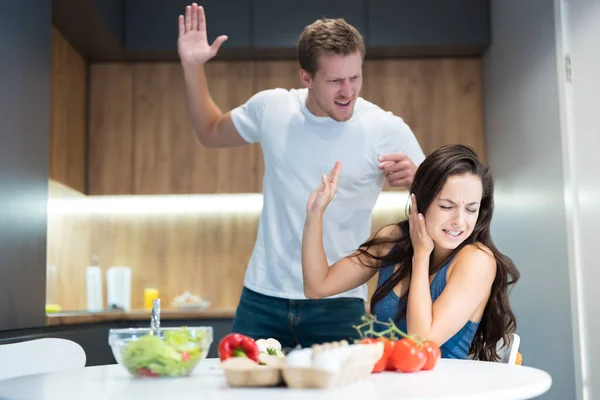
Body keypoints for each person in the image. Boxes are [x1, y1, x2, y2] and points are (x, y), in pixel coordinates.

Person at [177, 4, 425, 347]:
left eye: (355, 77)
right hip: (262, 297)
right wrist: (192, 67)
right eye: (335, 80)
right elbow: (209, 131)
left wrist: (417, 179)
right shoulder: (273, 109)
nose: (348, 91)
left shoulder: (383, 128)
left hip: (339, 301)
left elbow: (440, 201)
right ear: (306, 77)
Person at [301, 144, 520, 360]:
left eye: (471, 209)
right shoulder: (392, 239)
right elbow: (317, 286)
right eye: (446, 206)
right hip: (383, 382)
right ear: (421, 202)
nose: (459, 221)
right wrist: (314, 215)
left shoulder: (477, 260)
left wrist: (422, 255)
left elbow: (422, 342)